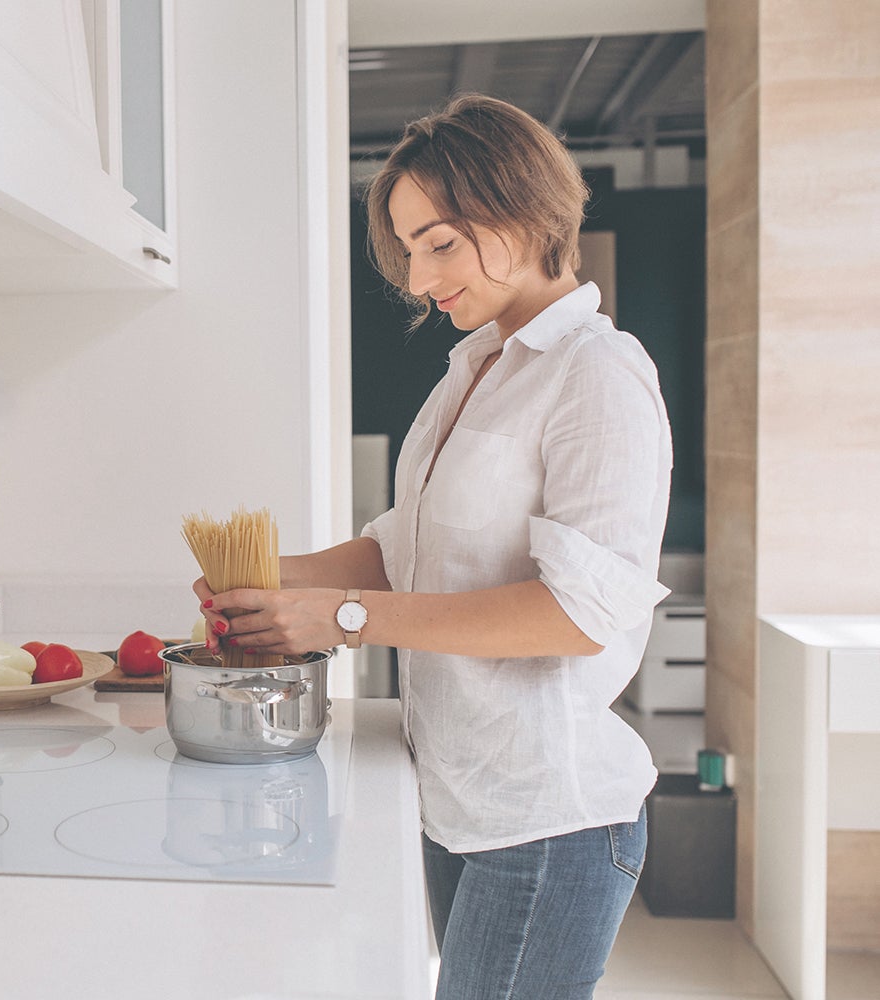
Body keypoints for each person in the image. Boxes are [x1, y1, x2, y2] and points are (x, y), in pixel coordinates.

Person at [196, 94, 672, 1000]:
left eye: (440, 242)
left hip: (546, 821)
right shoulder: (472, 369)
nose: (418, 278)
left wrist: (338, 618)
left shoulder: (598, 375)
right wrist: (260, 583)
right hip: (459, 798)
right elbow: (400, 548)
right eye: (410, 250)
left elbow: (579, 616)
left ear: (527, 212)